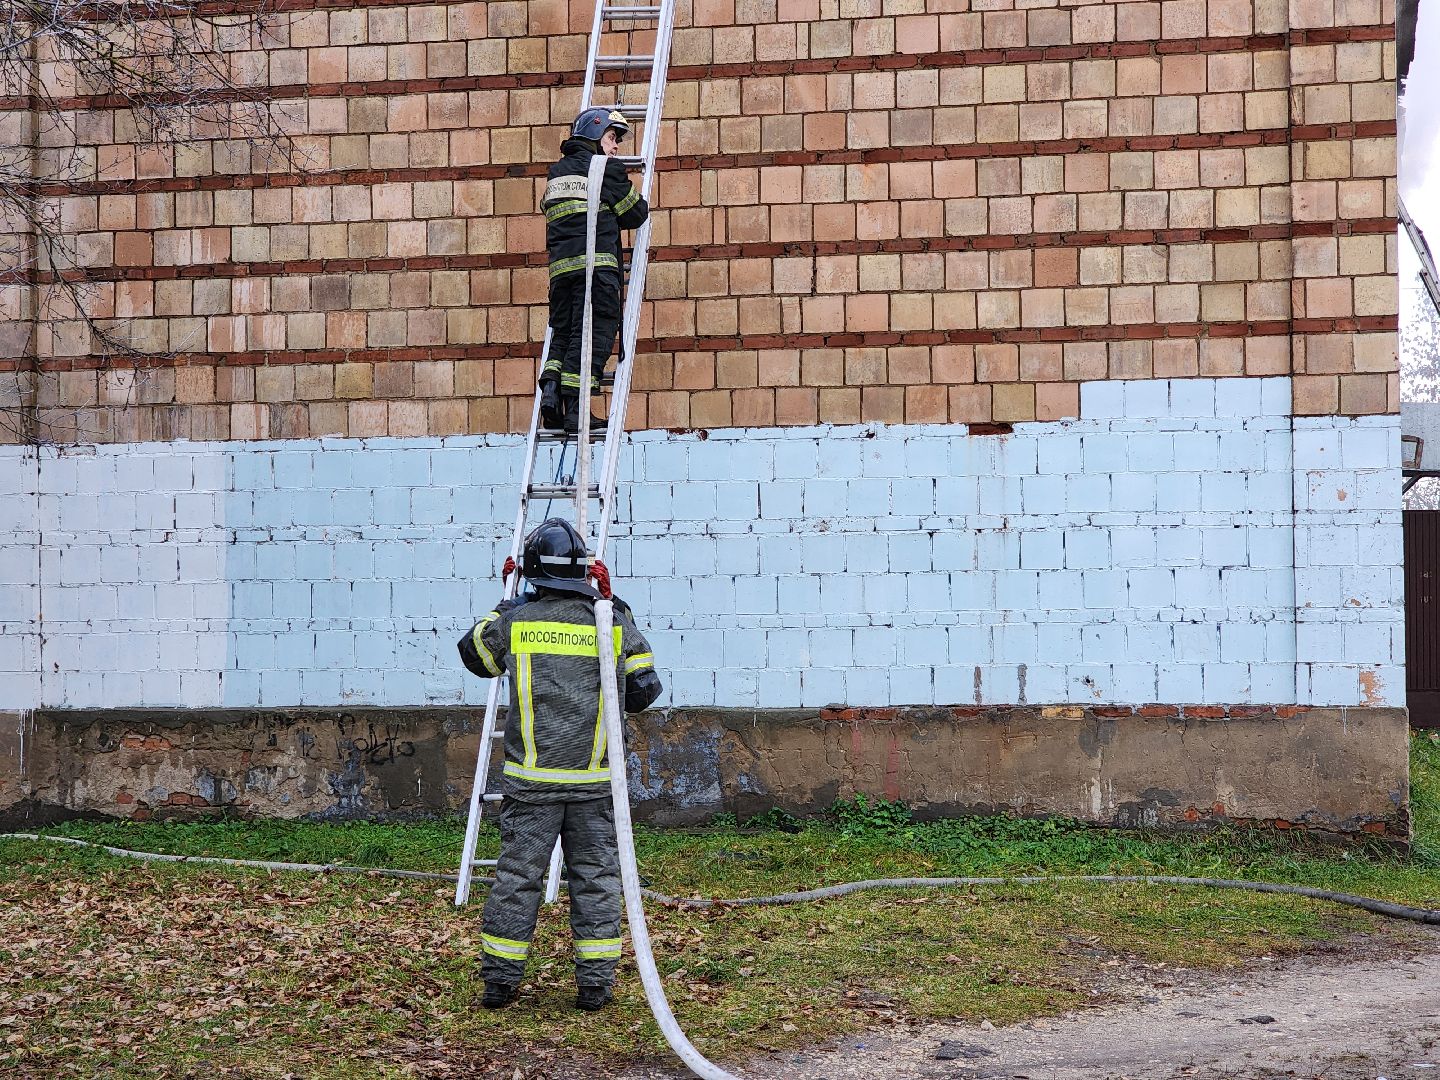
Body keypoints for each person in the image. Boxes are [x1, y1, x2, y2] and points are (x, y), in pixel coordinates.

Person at [457, 517, 662, 1011]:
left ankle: (499, 983)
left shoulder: (517, 622)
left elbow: (474, 654)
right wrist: (617, 608)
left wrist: (506, 603)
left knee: (516, 880)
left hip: (531, 786)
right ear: (583, 572)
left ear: (532, 572)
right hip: (594, 785)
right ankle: (595, 986)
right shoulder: (611, 622)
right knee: (596, 880)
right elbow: (644, 693)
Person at [538, 107, 650, 433]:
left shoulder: (556, 173)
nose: (615, 147)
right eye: (612, 138)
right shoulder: (604, 169)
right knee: (593, 336)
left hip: (561, 274)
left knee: (565, 334)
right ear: (594, 136)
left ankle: (551, 391)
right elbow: (636, 213)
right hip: (596, 272)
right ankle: (576, 411)